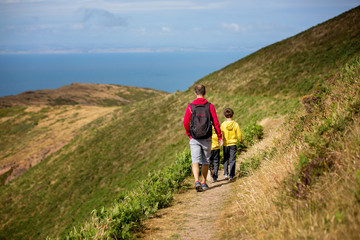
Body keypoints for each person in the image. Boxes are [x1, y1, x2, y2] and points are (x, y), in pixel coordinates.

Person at [183, 85, 223, 192]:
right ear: (204, 93)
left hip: (194, 138)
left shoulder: (190, 106)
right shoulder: (210, 106)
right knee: (206, 161)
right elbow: (216, 122)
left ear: (195, 93)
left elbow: (185, 122)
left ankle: (196, 181)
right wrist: (219, 136)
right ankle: (203, 182)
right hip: (207, 137)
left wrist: (189, 134)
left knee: (195, 161)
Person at [221, 107, 242, 182]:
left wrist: (221, 141)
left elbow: (221, 134)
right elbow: (239, 133)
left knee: (226, 159)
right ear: (233, 115)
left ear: (224, 116)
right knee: (232, 159)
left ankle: (226, 174)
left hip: (225, 144)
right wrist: (241, 140)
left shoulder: (223, 125)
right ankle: (231, 175)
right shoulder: (236, 124)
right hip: (233, 144)